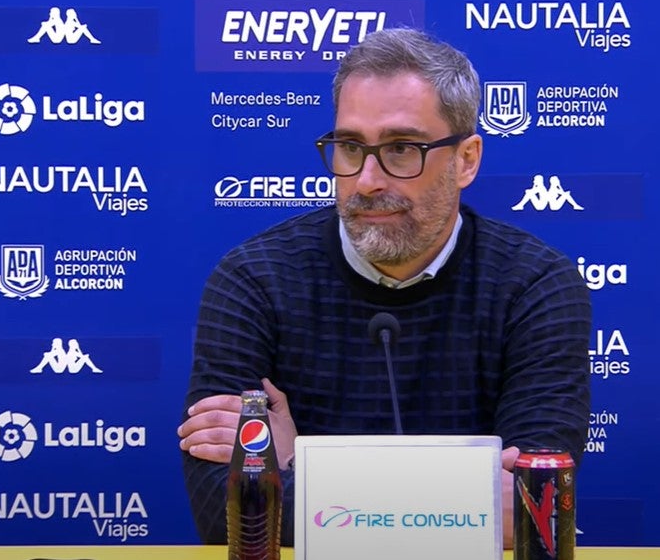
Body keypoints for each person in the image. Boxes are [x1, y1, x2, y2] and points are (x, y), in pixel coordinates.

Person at [178, 27, 591, 549]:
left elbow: (536, 508)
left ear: (466, 159)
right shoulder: (252, 280)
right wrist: (464, 503)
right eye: (350, 147)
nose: (368, 179)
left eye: (401, 149)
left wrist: (288, 466)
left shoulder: (537, 285)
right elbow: (227, 515)